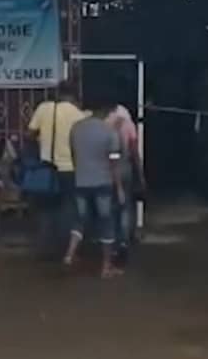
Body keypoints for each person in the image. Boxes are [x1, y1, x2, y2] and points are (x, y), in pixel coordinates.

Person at [64, 105, 124, 278]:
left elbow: (73, 154)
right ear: (108, 113)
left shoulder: (76, 128)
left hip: (80, 181)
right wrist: (118, 187)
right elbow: (114, 163)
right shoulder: (109, 132)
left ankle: (69, 254)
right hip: (103, 182)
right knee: (106, 222)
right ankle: (106, 267)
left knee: (80, 218)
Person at [26, 83, 87, 254]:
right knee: (68, 208)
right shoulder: (78, 114)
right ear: (74, 96)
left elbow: (29, 133)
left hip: (46, 168)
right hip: (70, 169)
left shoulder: (44, 108)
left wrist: (42, 141)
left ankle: (45, 247)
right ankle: (64, 248)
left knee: (45, 210)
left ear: (58, 93)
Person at [107, 100, 146, 258]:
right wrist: (140, 173)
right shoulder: (129, 124)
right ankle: (123, 240)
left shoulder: (104, 123)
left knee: (110, 206)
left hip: (108, 167)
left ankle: (112, 240)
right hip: (125, 167)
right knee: (125, 206)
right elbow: (134, 151)